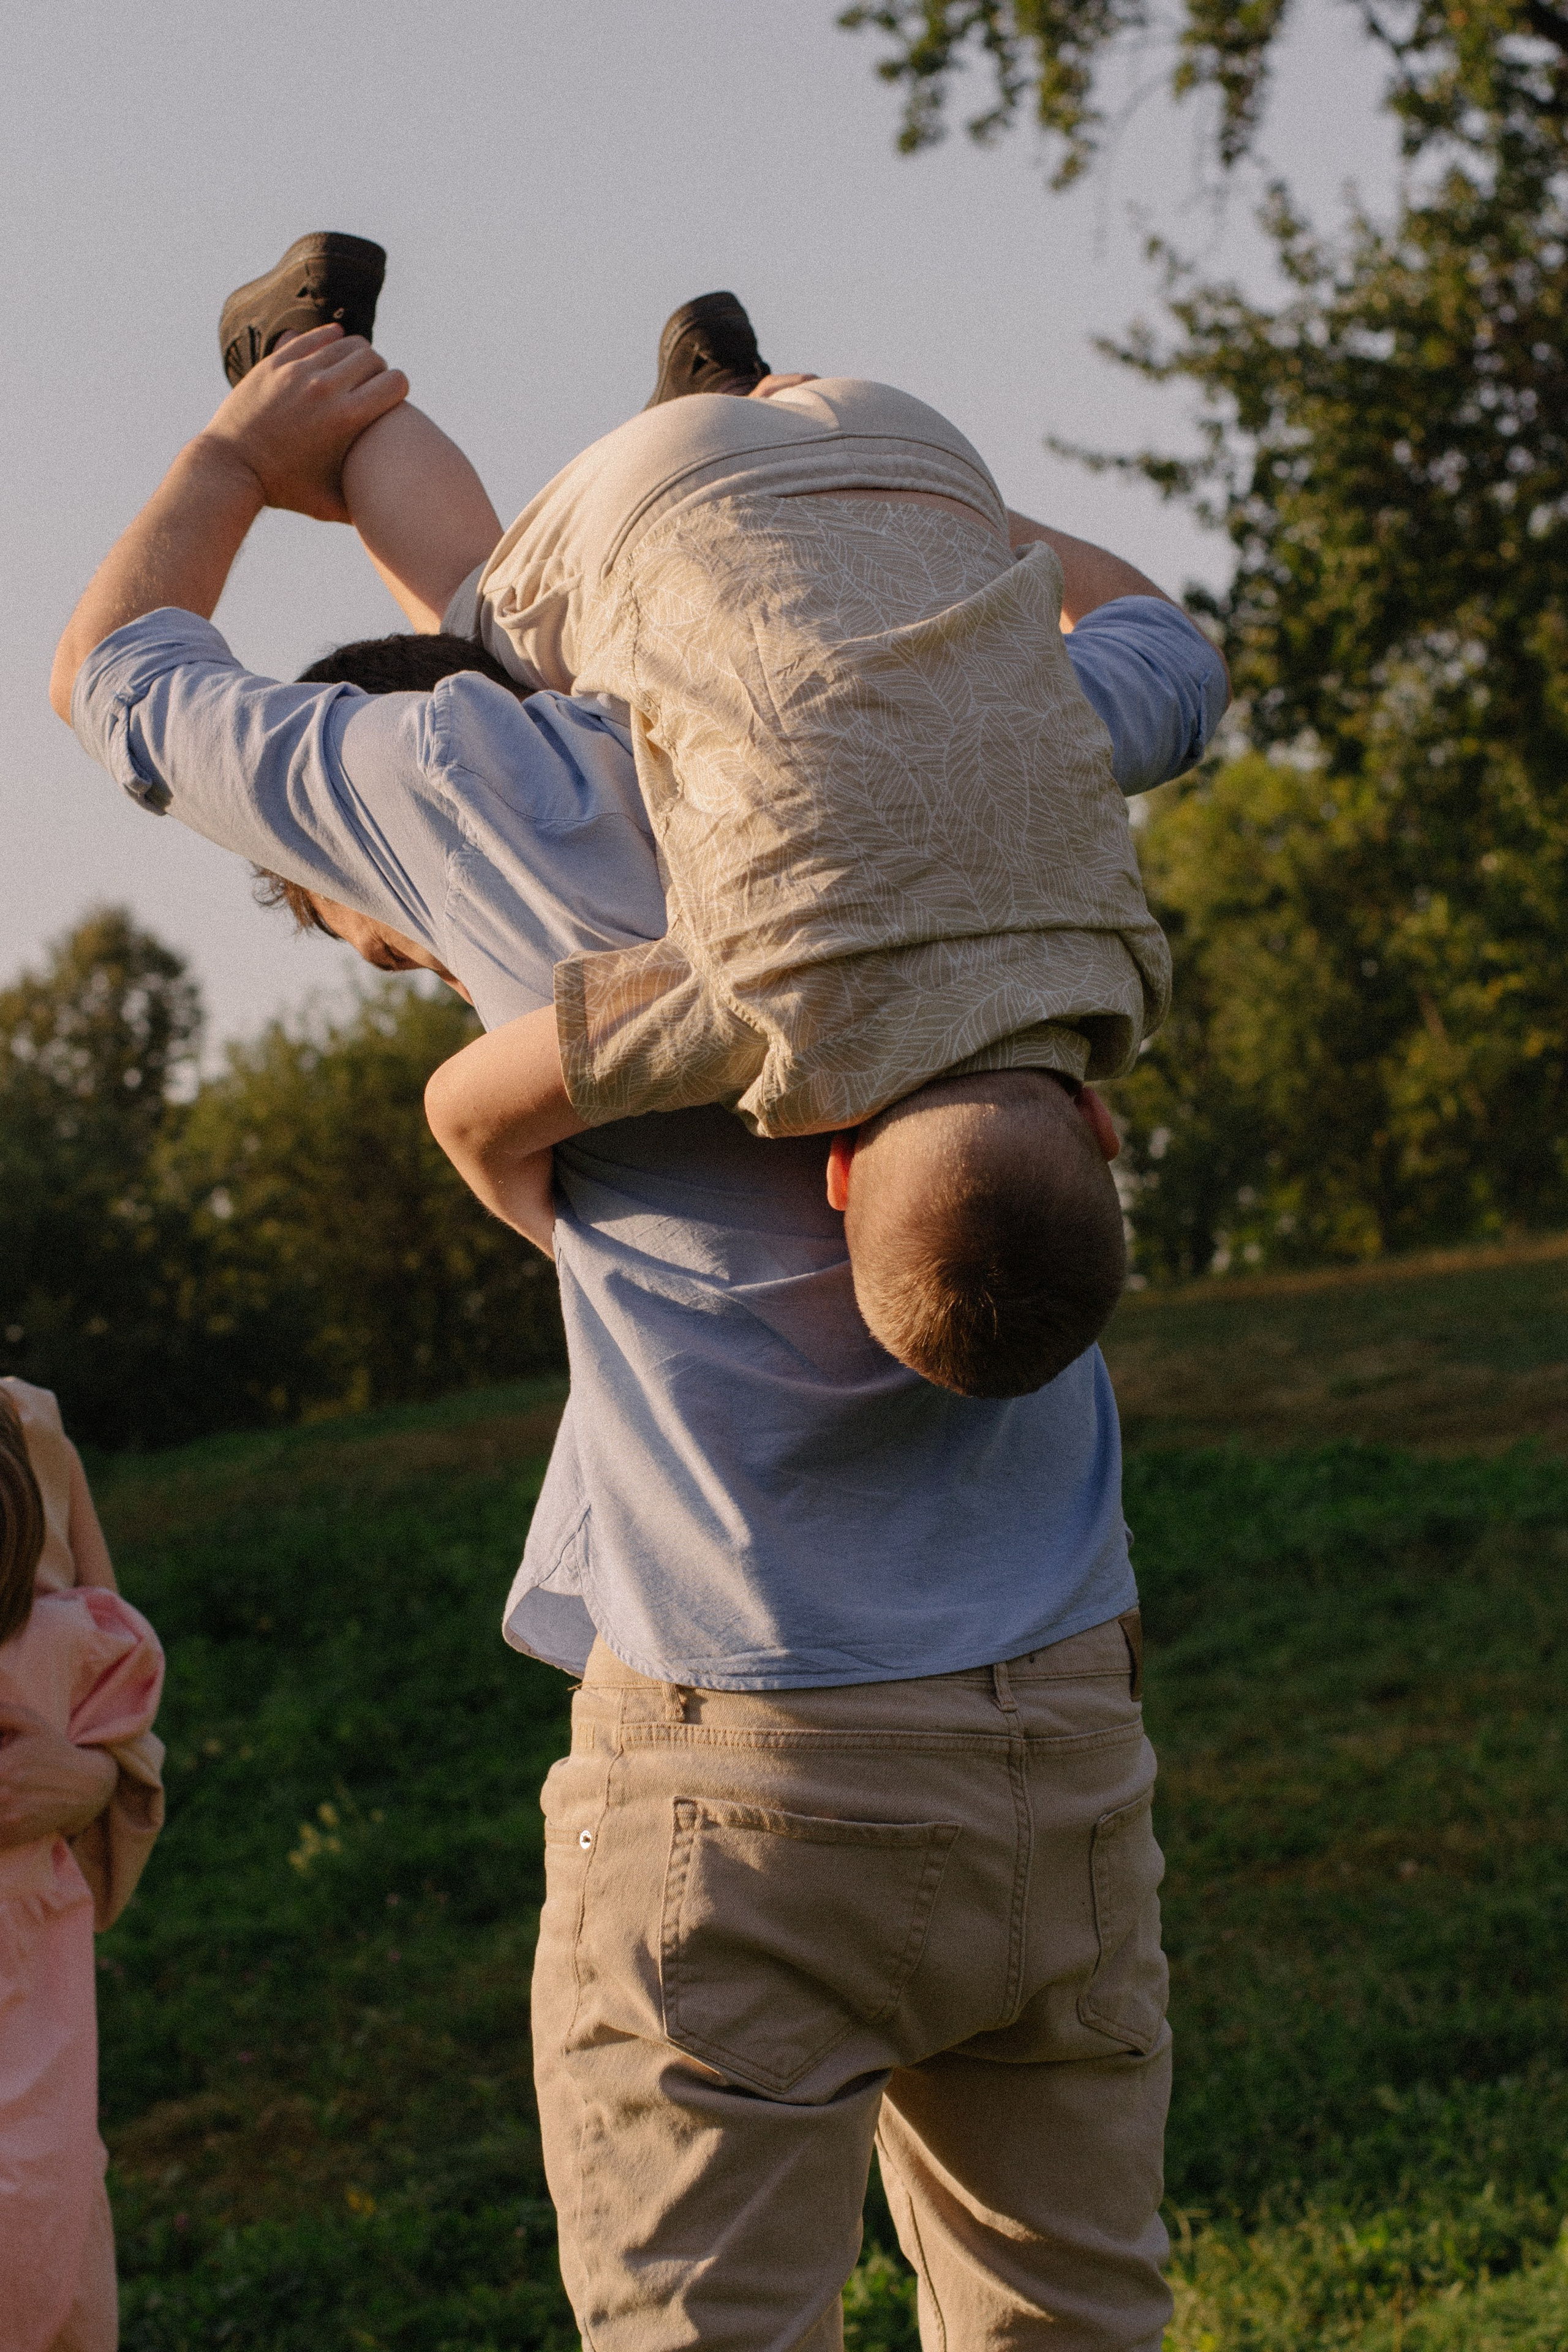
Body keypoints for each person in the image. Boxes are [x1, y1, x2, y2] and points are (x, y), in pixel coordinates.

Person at [51, 315, 1226, 2351]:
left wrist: (248, 455)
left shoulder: (507, 795)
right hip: (1063, 1747)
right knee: (1071, 2321)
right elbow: (1170, 650)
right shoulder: (1003, 784)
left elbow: (122, 681)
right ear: (1094, 1132)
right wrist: (899, 548)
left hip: (745, 1789)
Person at [216, 243, 1190, 1398]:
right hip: (661, 494)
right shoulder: (757, 1005)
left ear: (1096, 1121)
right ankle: (306, 353)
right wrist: (535, 1216)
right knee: (471, 610)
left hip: (912, 450)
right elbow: (466, 1108)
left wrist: (960, 515)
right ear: (834, 1176)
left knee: (1165, 678)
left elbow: (1157, 634)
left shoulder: (1122, 970)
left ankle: (738, 404)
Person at [0, 1380, 165, 2352]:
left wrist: (91, 1776)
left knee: (42, 2221)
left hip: (29, 1950)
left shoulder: (26, 1426)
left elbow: (111, 1662)